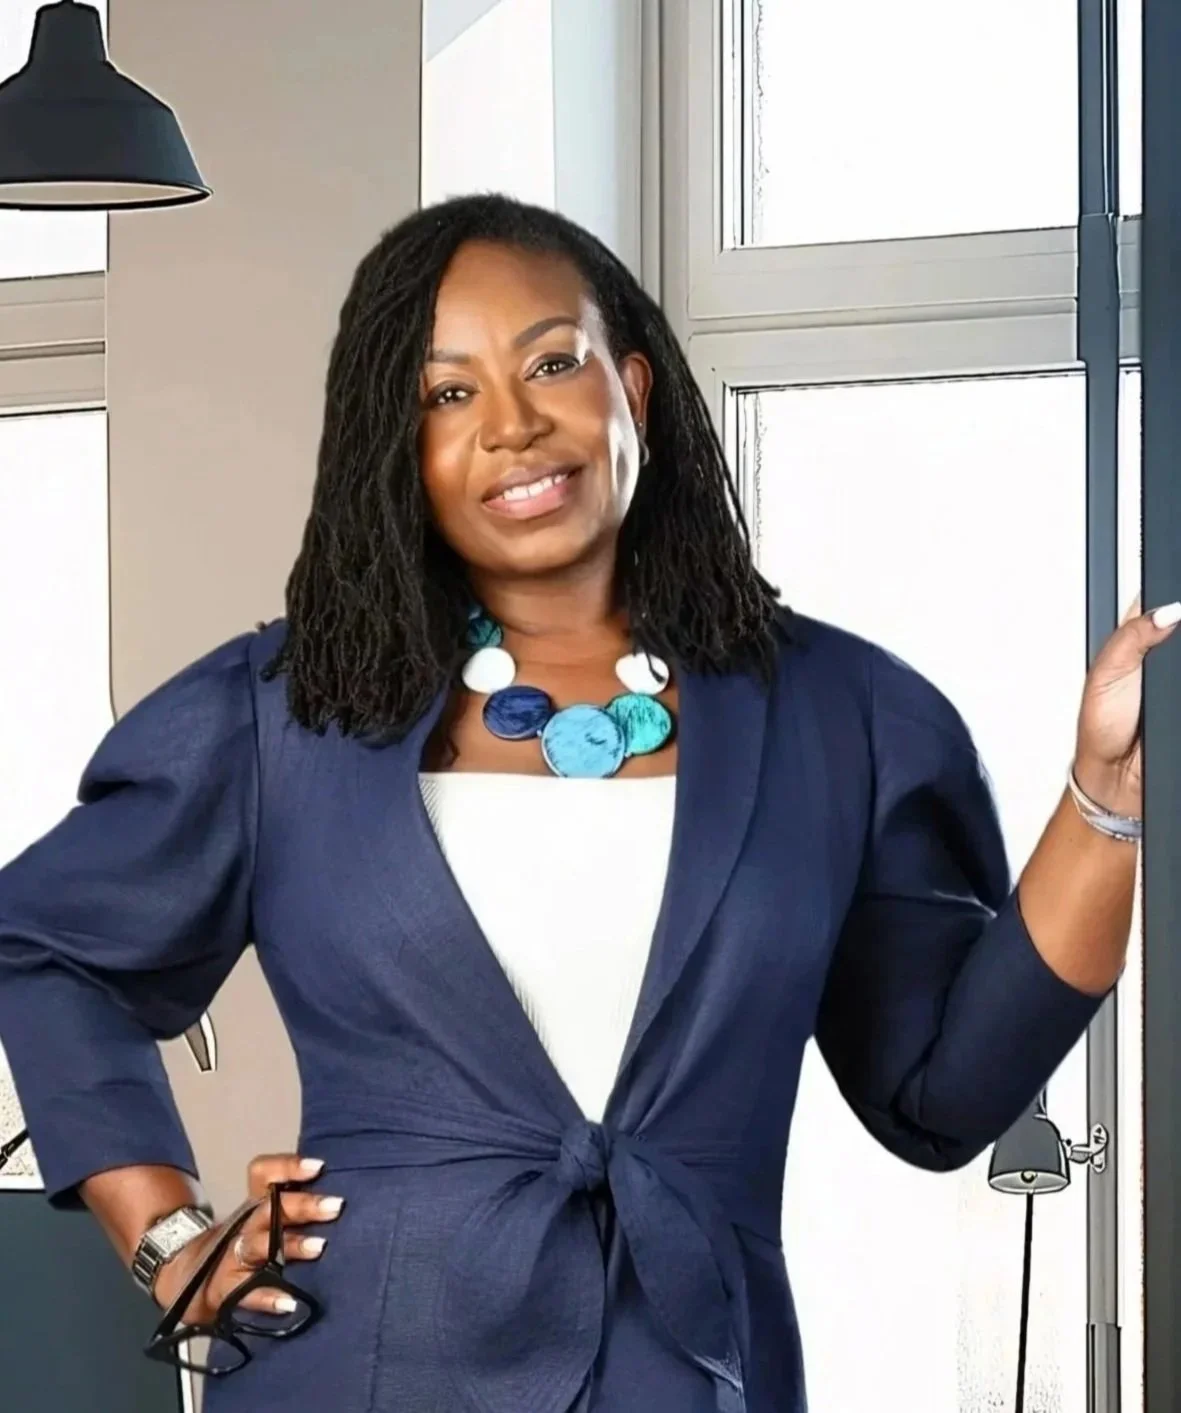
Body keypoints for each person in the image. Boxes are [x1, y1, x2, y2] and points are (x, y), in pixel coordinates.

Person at [0, 193, 1172, 1413]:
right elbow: (44, 944)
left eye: (550, 362)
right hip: (355, 1369)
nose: (510, 427)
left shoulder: (846, 716)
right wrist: (170, 1239)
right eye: (445, 395)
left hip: (691, 1372)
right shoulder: (281, 717)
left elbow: (943, 1094)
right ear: (391, 448)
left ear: (635, 388)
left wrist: (1103, 798)